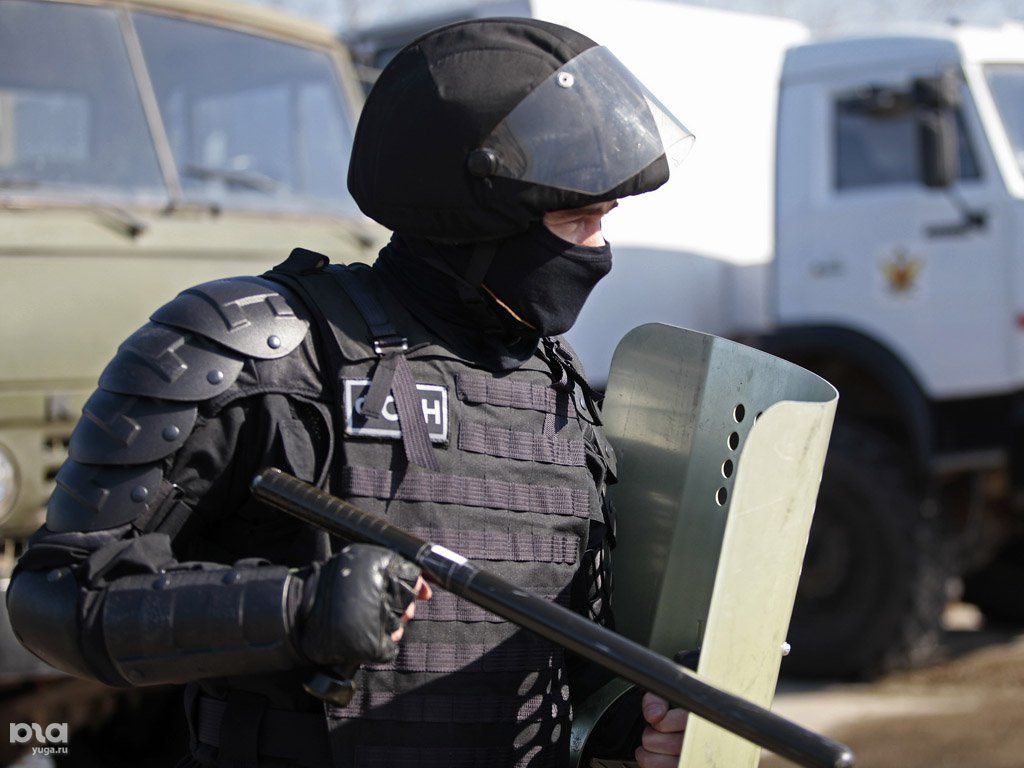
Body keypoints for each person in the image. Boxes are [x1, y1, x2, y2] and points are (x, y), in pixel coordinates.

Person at [7, 18, 693, 768]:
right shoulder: (262, 354)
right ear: (482, 220)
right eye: (577, 220)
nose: (599, 249)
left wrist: (630, 728)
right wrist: (295, 610)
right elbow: (59, 598)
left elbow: (563, 662)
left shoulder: (555, 390)